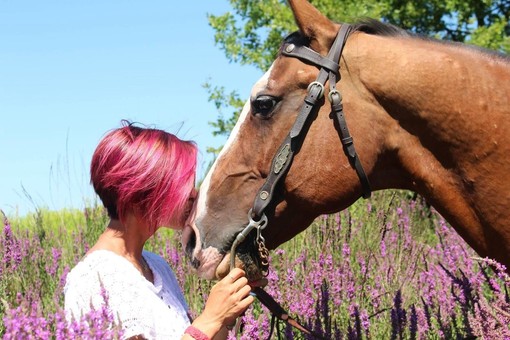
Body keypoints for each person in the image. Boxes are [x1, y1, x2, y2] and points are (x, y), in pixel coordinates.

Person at [64, 121, 254, 339]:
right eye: (180, 184)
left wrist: (225, 316)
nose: (194, 194)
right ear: (139, 191)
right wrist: (209, 319)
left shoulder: (156, 266)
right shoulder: (93, 280)